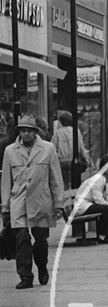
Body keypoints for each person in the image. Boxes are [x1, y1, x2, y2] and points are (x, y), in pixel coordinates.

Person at [1, 114, 65, 289]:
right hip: (18, 201)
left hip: (41, 201)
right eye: (23, 131)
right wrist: (5, 207)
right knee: (21, 238)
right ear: (19, 132)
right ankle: (25, 275)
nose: (26, 134)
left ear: (35, 132)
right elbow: (6, 181)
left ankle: (42, 265)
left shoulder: (48, 149)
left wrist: (58, 203)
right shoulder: (10, 151)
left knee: (41, 240)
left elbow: (55, 178)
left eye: (29, 131)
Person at [73, 157, 108, 243]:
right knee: (107, 209)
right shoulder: (98, 181)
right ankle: (104, 235)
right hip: (82, 206)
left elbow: (105, 197)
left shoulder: (102, 180)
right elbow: (99, 200)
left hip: (88, 204)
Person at [51, 111, 91, 189]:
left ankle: (65, 197)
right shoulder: (76, 131)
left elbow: (53, 148)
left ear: (61, 121)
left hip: (61, 162)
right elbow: (81, 147)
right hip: (73, 161)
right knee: (74, 183)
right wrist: (86, 159)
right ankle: (73, 198)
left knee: (64, 183)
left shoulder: (57, 133)